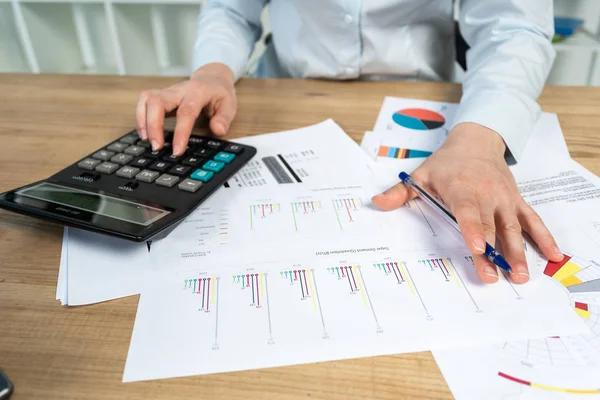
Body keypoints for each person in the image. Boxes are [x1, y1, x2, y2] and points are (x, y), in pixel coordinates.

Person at [135, 0, 564, 284]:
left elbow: (514, 27)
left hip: (424, 103)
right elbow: (230, 8)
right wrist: (213, 70)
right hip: (282, 94)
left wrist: (479, 142)